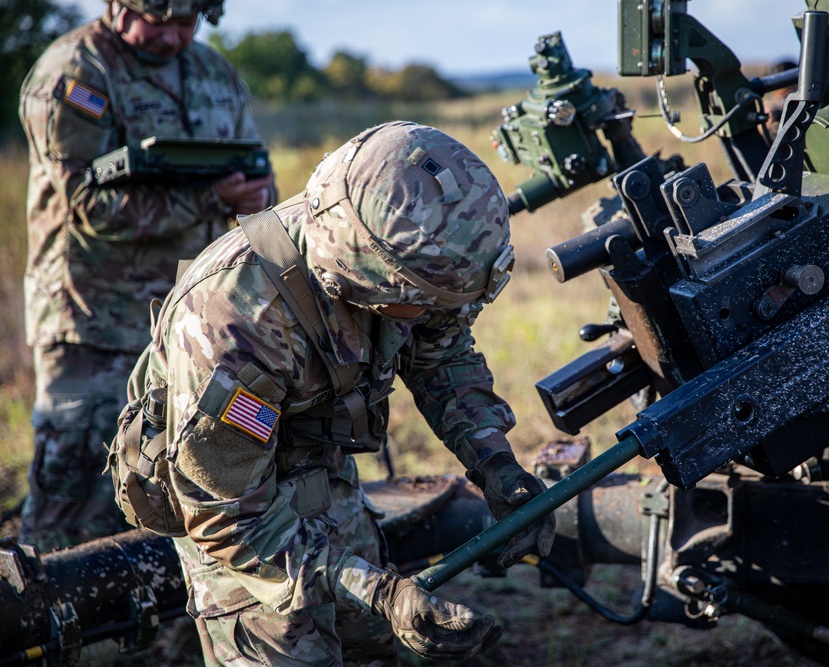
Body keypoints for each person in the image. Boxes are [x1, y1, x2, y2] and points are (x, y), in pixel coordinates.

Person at [115, 121, 556, 664]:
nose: (435, 315)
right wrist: (382, 591)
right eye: (423, 302)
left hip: (317, 458)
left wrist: (496, 464)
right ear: (362, 277)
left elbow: (442, 355)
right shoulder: (235, 324)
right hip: (230, 501)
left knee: (371, 642)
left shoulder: (401, 256)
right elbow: (228, 518)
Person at [18, 0, 275, 551]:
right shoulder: (75, 75)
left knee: (170, 466)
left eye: (189, 24)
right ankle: (48, 612)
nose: (174, 38)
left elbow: (253, 164)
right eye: (160, 23)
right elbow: (86, 205)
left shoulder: (212, 72)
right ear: (118, 6)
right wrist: (209, 198)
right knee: (74, 478)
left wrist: (256, 201)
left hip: (187, 321)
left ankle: (154, 613)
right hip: (91, 317)